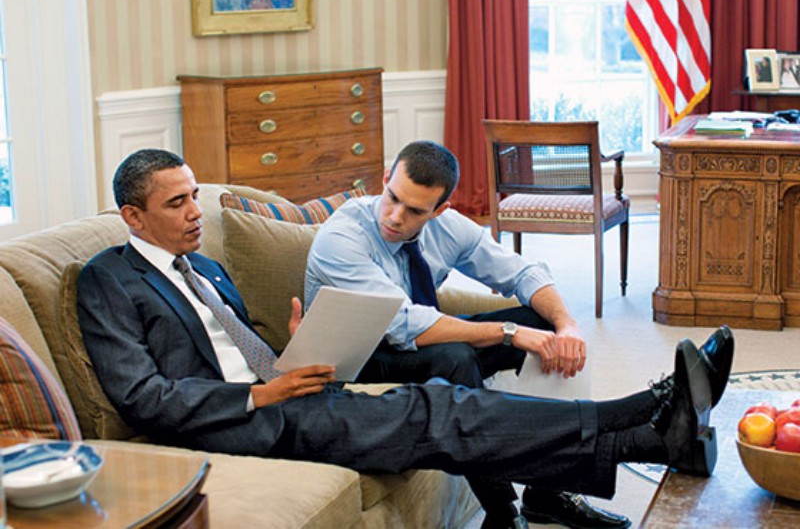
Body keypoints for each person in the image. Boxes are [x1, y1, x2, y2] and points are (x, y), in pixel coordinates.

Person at [78, 149, 734, 529]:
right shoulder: (109, 279)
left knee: (446, 408)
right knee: (441, 399)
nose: (195, 212)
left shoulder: (209, 269)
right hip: (235, 424)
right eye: (177, 204)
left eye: (195, 196)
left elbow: (242, 351)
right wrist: (260, 395)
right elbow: (145, 396)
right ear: (133, 216)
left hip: (287, 395)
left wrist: (290, 355)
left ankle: (651, 432)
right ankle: (647, 415)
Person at [304, 141, 617, 527]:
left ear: (440, 210)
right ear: (386, 179)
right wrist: (507, 332)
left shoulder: (448, 228)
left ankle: (549, 493)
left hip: (415, 346)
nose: (396, 217)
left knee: (543, 323)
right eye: (392, 197)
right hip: (356, 360)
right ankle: (503, 512)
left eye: (415, 210)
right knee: (455, 358)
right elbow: (406, 325)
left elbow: (522, 273)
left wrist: (567, 324)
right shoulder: (342, 239)